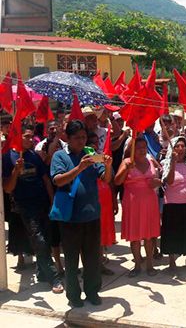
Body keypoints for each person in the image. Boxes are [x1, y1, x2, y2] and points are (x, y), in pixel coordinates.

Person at [50, 120, 112, 307]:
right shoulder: (60, 156)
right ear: (67, 138)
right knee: (71, 259)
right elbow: (58, 181)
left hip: (92, 215)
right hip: (71, 218)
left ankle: (92, 292)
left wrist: (108, 165)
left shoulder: (90, 154)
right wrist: (79, 168)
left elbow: (106, 178)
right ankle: (74, 296)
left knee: (92, 258)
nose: (81, 141)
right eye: (77, 138)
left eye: (84, 137)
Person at [3, 124, 63, 293]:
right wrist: (16, 171)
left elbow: (45, 179)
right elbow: (7, 188)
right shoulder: (8, 157)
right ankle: (54, 278)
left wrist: (52, 202)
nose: (30, 140)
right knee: (40, 240)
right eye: (26, 137)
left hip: (43, 203)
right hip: (25, 206)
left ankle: (42, 272)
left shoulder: (34, 156)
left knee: (46, 238)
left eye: (31, 137)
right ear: (17, 136)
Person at [114, 137, 162, 277]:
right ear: (132, 149)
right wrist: (126, 170)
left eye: (144, 146)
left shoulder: (151, 160)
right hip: (132, 201)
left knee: (148, 235)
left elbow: (161, 175)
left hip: (149, 200)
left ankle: (149, 265)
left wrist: (158, 182)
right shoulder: (127, 162)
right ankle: (137, 265)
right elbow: (117, 181)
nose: (142, 150)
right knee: (134, 235)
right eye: (138, 147)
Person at [160, 136, 186, 272]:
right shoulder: (166, 162)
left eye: (183, 146)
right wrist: (173, 164)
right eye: (177, 146)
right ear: (172, 148)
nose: (180, 148)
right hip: (173, 204)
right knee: (172, 233)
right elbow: (169, 182)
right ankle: (172, 262)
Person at [86, 132, 117, 275]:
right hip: (90, 201)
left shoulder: (102, 158)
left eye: (96, 142)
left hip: (105, 200)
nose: (93, 145)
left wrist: (114, 201)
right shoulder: (85, 158)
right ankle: (91, 266)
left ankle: (100, 265)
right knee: (91, 236)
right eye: (90, 142)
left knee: (102, 234)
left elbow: (110, 180)